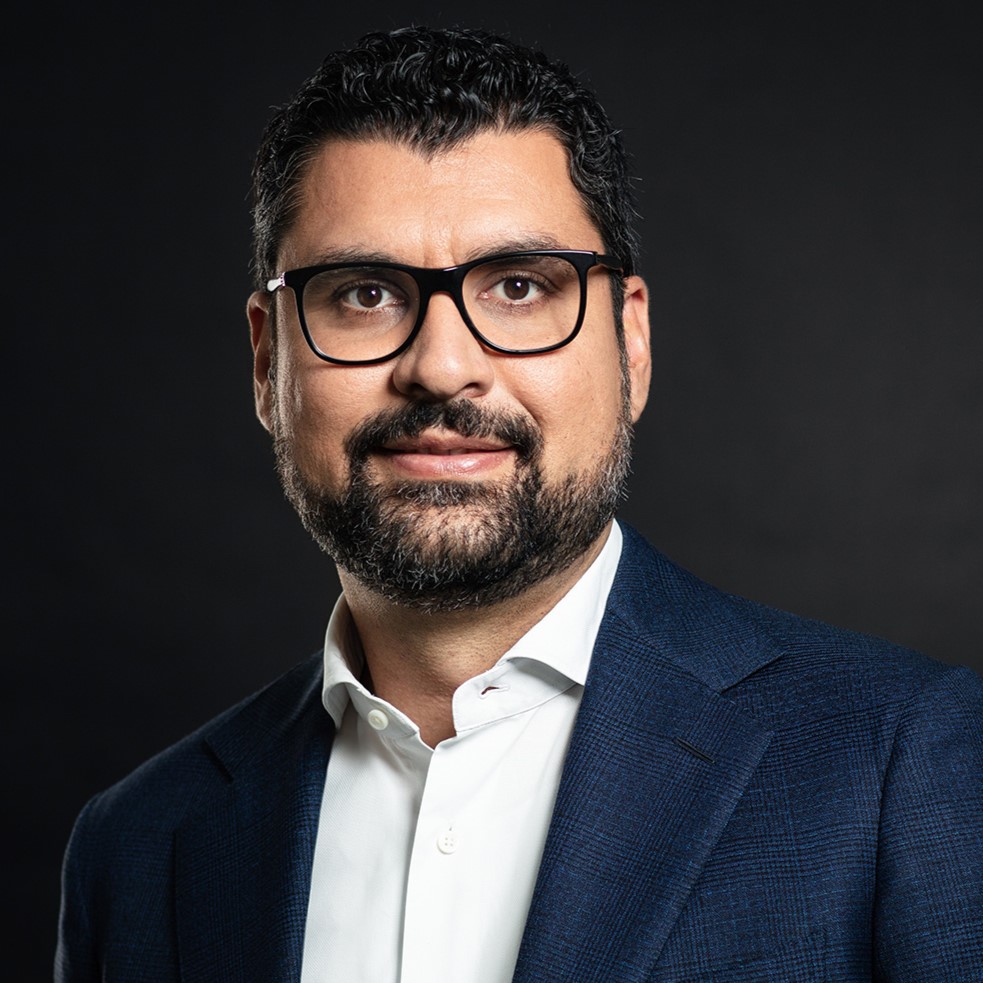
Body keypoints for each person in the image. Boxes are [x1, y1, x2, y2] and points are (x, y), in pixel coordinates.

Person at [56, 25, 982, 983]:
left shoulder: (900, 760)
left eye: (516, 286)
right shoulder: (137, 848)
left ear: (631, 346)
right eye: (364, 294)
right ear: (266, 362)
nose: (440, 366)